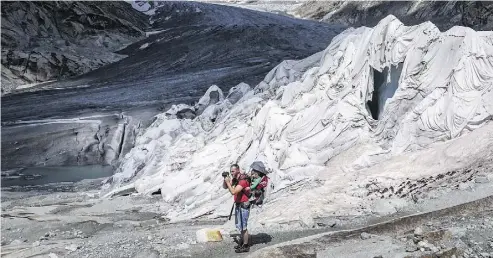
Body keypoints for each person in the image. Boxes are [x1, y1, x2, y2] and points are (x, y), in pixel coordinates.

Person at [224, 164, 251, 253]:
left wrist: (228, 182)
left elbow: (233, 191)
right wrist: (226, 180)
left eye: (233, 171)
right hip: (239, 204)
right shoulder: (236, 180)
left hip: (244, 205)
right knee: (240, 226)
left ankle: (246, 245)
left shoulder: (242, 181)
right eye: (231, 171)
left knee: (244, 226)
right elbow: (225, 187)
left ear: (238, 170)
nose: (232, 173)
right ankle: (242, 242)